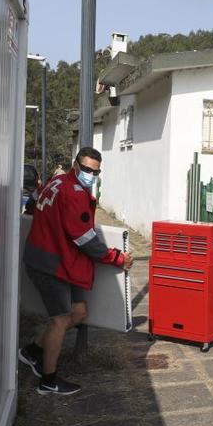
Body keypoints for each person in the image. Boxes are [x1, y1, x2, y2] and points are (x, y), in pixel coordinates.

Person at [18, 147, 133, 395]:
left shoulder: (57, 180)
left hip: (58, 260)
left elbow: (34, 202)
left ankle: (34, 350)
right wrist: (117, 258)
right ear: (76, 165)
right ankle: (48, 380)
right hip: (50, 264)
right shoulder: (74, 194)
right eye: (87, 169)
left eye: (96, 171)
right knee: (60, 320)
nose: (91, 174)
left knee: (79, 313)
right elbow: (85, 239)